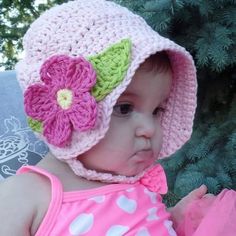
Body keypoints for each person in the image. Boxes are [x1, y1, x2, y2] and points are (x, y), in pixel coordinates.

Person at [0, 0, 235, 235]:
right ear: (67, 110)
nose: (150, 128)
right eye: (124, 108)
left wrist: (173, 220)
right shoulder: (25, 194)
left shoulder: (133, 185)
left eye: (157, 111)